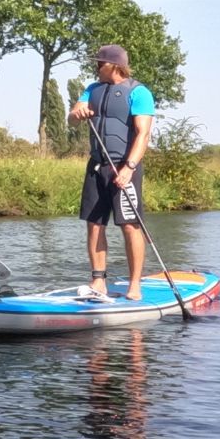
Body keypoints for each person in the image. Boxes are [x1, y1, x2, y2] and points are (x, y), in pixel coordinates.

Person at [67, 44, 156, 300]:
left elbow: (143, 134)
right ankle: (98, 282)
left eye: (100, 63)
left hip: (124, 168)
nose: (95, 67)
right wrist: (77, 113)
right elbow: (72, 117)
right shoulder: (91, 90)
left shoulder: (139, 93)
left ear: (115, 65)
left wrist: (129, 167)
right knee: (94, 225)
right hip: (96, 166)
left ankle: (135, 284)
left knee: (129, 226)